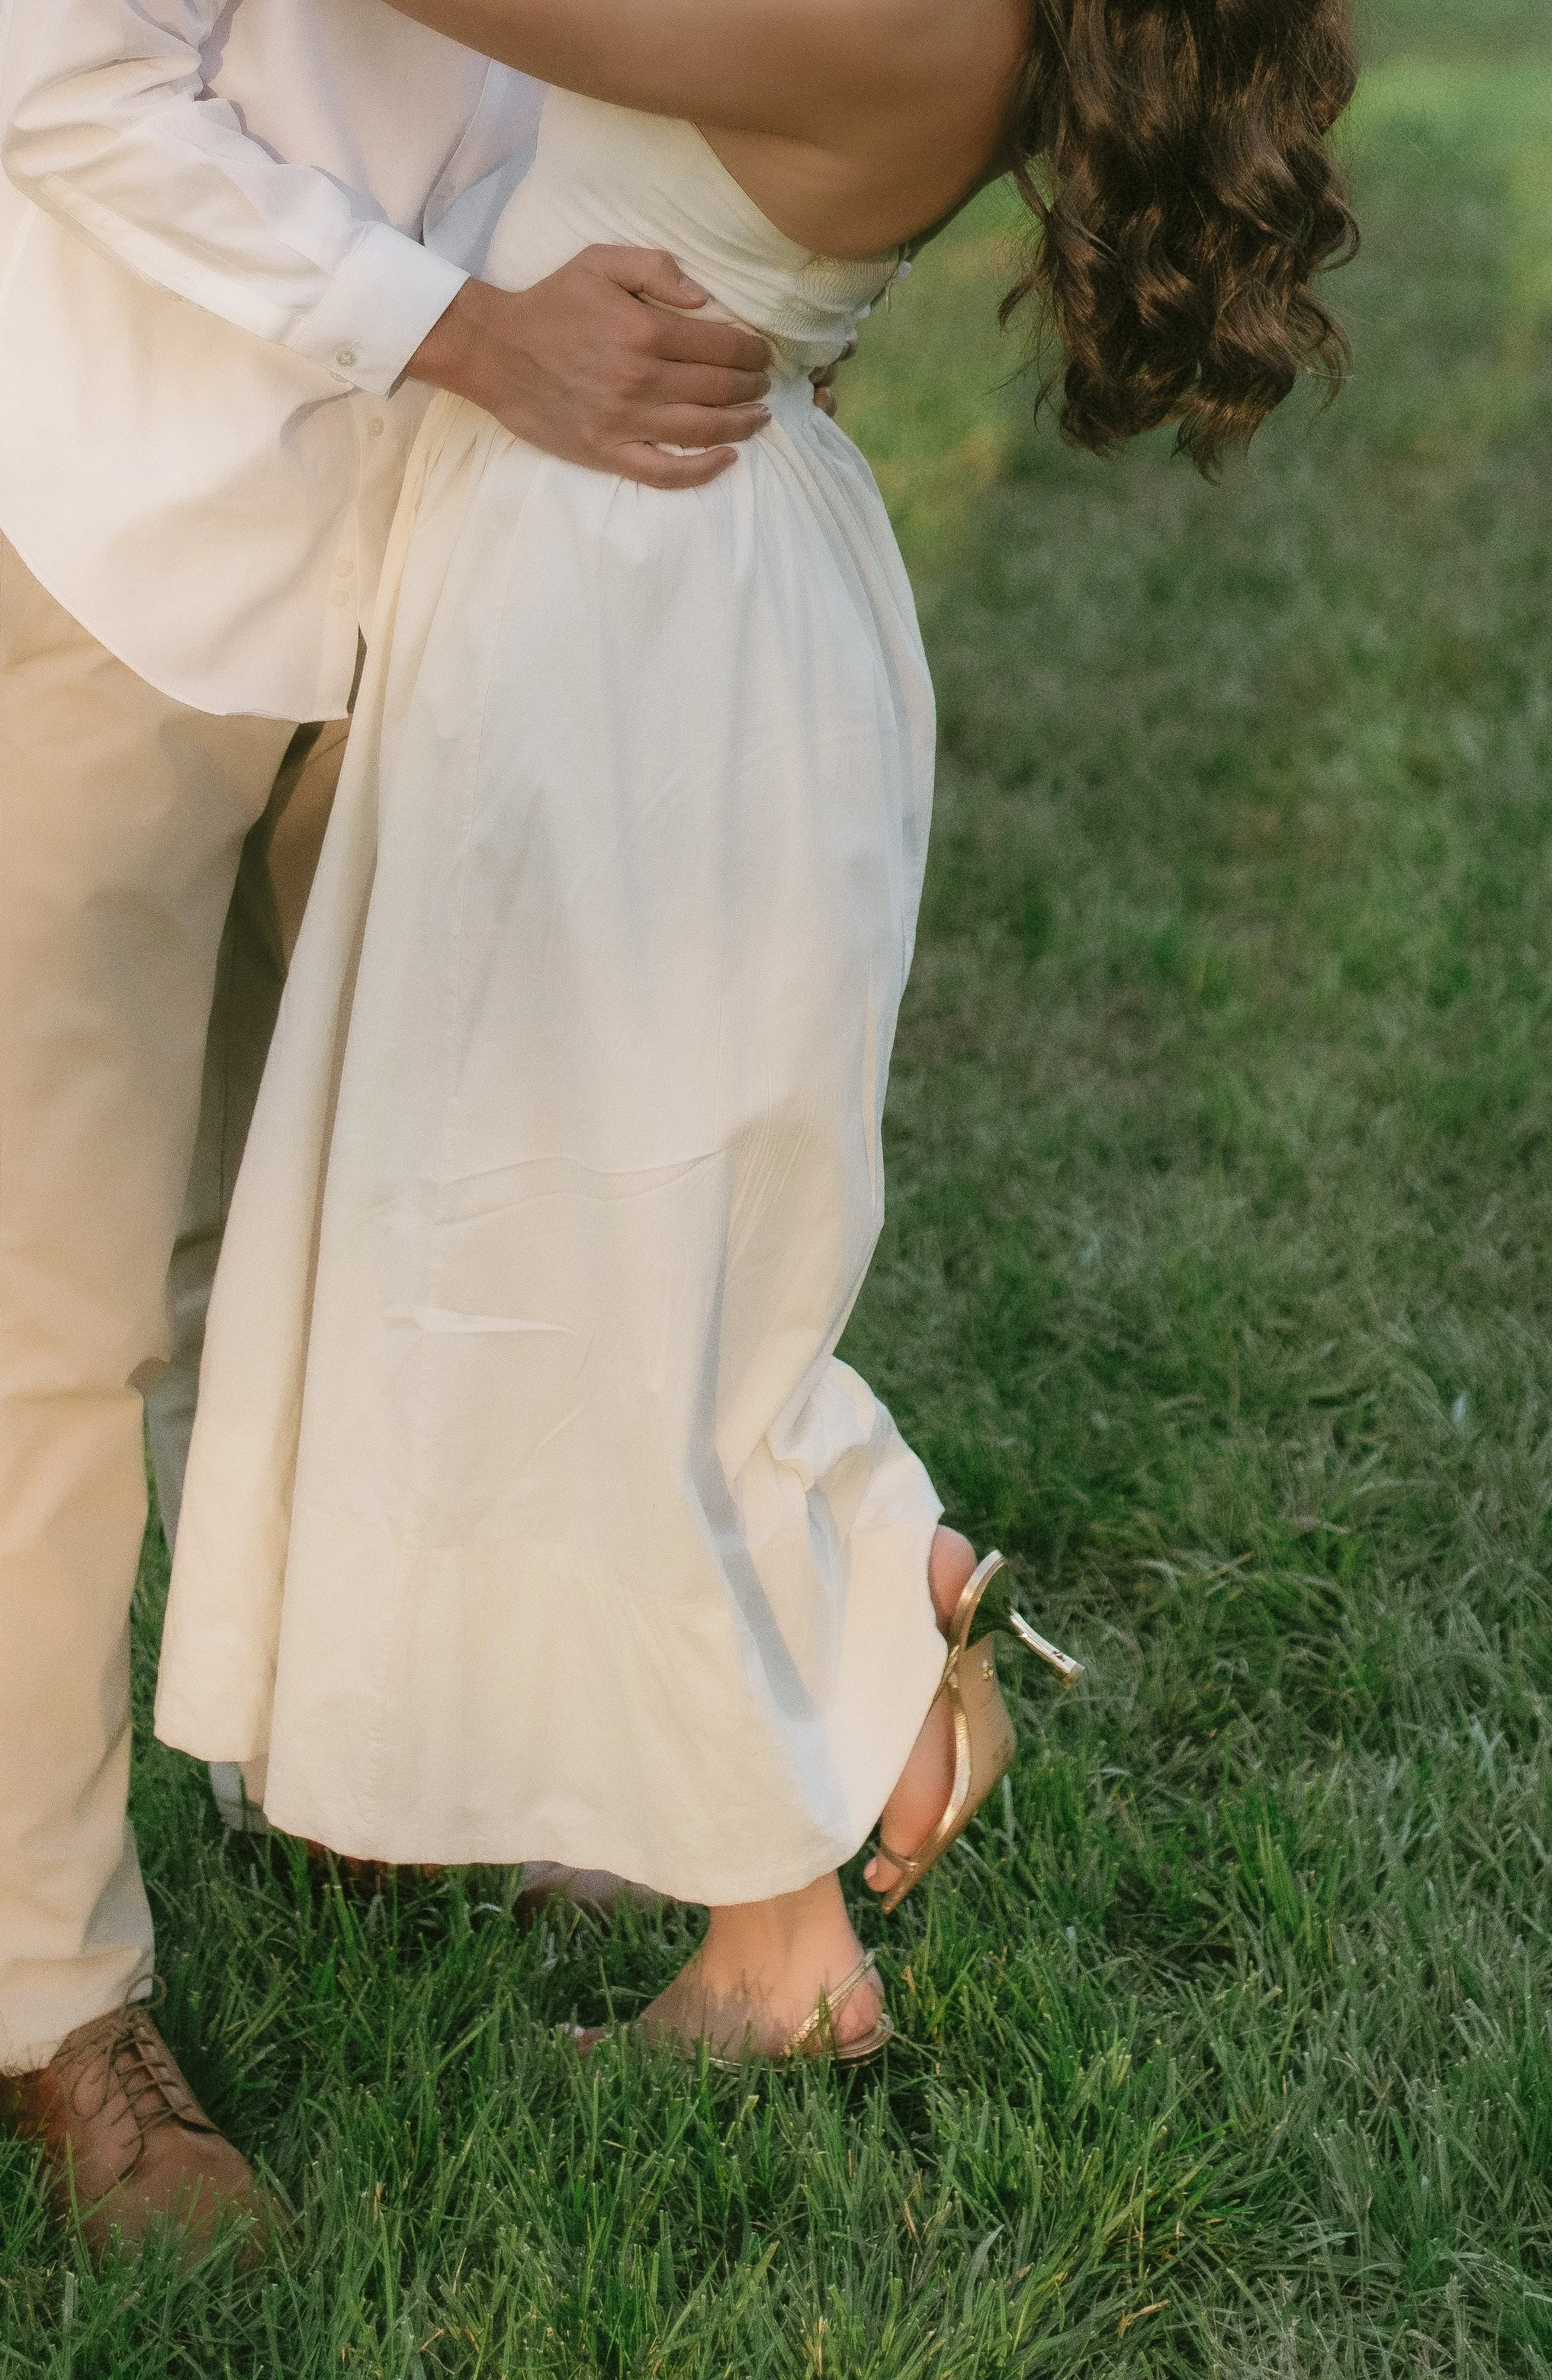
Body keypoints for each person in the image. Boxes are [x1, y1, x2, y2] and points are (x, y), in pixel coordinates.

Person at [156, 0, 1358, 2064]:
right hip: (641, 563)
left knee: (618, 1286)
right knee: (612, 1263)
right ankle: (848, 1645)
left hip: (629, 610)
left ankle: (792, 1920)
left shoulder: (903, 19)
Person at [0, 0, 784, 2263]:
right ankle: (54, 2004)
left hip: (419, 518)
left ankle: (332, 1772)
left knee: (345, 1222)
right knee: (69, 1293)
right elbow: (79, 96)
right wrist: (475, 333)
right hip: (118, 499)